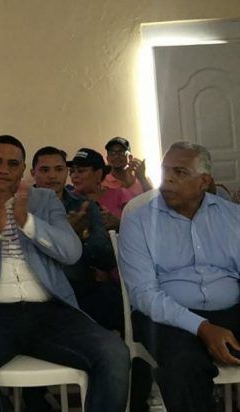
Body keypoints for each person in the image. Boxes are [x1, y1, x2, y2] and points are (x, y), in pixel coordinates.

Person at [0, 135, 130, 412]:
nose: (3, 169)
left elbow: (71, 252)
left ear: (23, 170)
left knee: (114, 353)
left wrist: (27, 221)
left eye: (12, 164)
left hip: (50, 310)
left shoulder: (44, 200)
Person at [120, 141, 240, 412]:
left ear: (203, 181)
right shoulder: (138, 222)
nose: (169, 179)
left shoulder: (233, 217)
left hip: (230, 311)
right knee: (183, 366)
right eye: (165, 171)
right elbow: (144, 295)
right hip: (167, 318)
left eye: (180, 172)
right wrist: (203, 328)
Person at [30, 146, 120, 331]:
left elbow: (106, 258)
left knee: (113, 300)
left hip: (80, 287)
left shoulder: (84, 206)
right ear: (33, 173)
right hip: (38, 290)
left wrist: (80, 237)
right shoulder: (22, 207)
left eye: (59, 169)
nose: (52, 176)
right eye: (45, 170)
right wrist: (67, 236)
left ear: (66, 172)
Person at [69, 148, 133, 231]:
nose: (74, 175)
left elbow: (140, 226)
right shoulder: (67, 199)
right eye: (72, 171)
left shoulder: (121, 195)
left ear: (98, 174)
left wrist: (118, 223)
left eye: (81, 171)